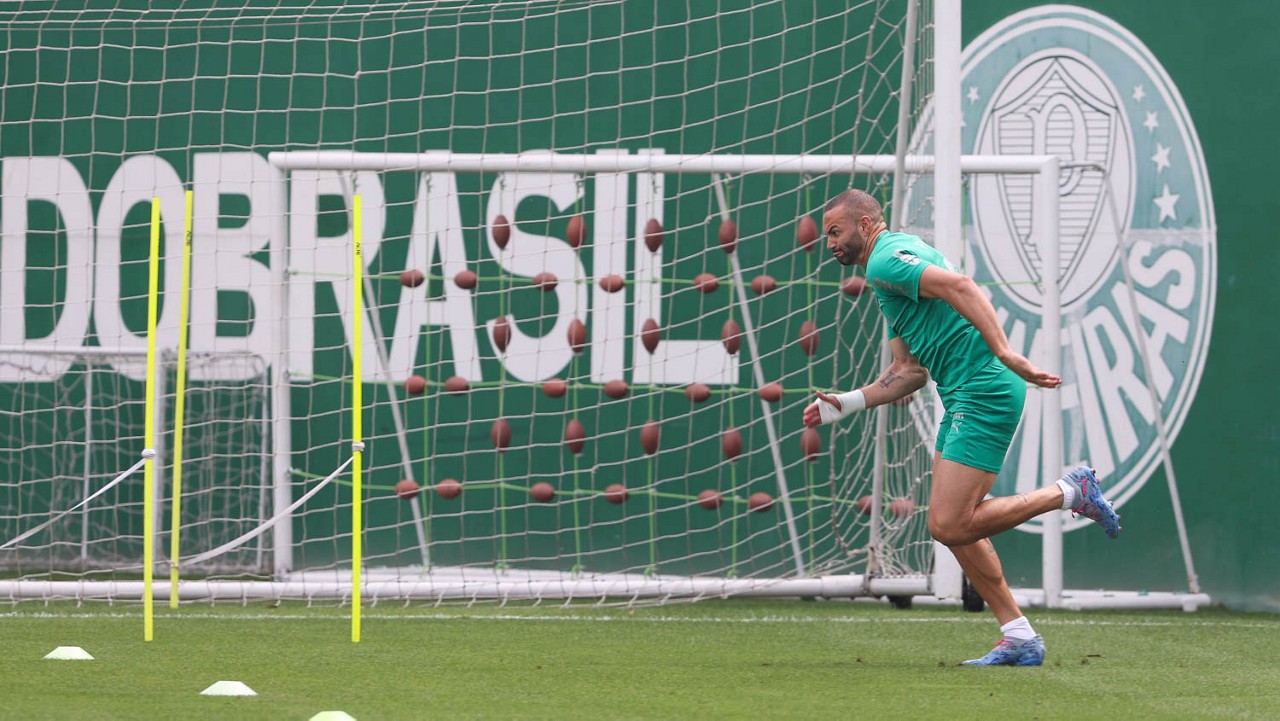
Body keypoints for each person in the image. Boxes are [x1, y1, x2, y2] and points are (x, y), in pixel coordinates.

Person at [803, 189, 1122, 667]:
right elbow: (909, 371)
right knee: (957, 527)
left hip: (984, 389)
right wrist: (845, 404)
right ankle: (1018, 636)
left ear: (866, 225)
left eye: (836, 231)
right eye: (827, 233)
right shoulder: (886, 273)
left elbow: (962, 286)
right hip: (962, 394)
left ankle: (1070, 491)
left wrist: (1006, 352)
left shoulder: (886, 260)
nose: (829, 242)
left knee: (948, 522)